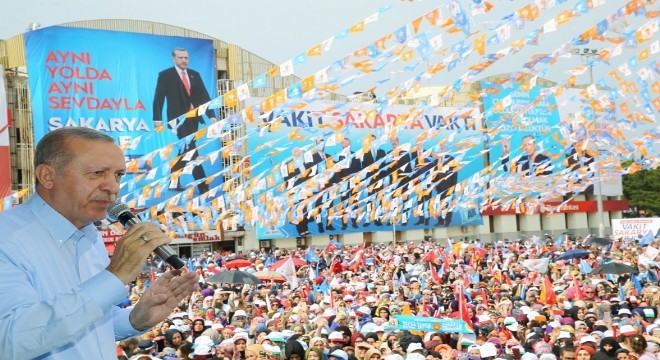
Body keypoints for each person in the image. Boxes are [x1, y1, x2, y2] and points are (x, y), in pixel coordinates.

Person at [0, 127, 198, 359]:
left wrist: (136, 318)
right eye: (97, 173)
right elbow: (12, 340)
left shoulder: (91, 236)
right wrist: (115, 276)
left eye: (118, 175)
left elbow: (88, 325)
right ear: (47, 176)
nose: (113, 187)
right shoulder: (6, 237)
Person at [153, 47, 217, 193]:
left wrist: (211, 115)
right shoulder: (166, 75)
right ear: (174, 59)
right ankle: (203, 186)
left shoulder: (195, 75)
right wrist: (157, 118)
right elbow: (159, 97)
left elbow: (204, 97)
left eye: (186, 58)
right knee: (191, 149)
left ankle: (174, 181)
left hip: (194, 118)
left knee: (186, 151)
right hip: (177, 120)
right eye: (181, 58)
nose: (184, 60)